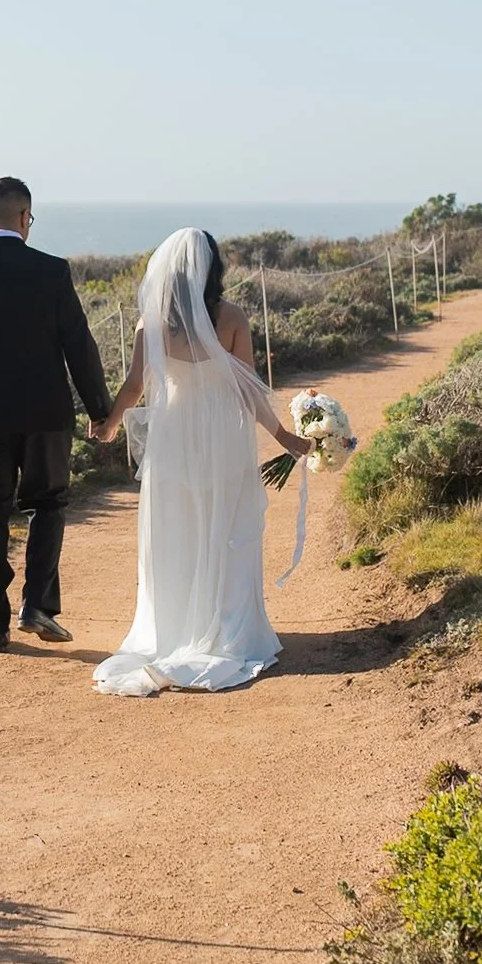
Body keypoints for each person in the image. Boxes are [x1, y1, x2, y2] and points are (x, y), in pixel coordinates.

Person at [87, 229, 313, 695]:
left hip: (172, 439)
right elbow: (250, 391)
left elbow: (134, 388)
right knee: (225, 527)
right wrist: (285, 435)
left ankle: (175, 630)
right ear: (213, 270)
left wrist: (110, 424)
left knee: (177, 531)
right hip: (220, 438)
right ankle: (226, 630)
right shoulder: (230, 317)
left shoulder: (149, 323)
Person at [0, 177, 113, 652]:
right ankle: (38, 606)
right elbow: (79, 344)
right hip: (44, 413)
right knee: (47, 503)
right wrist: (99, 408)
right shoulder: (52, 272)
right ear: (26, 218)